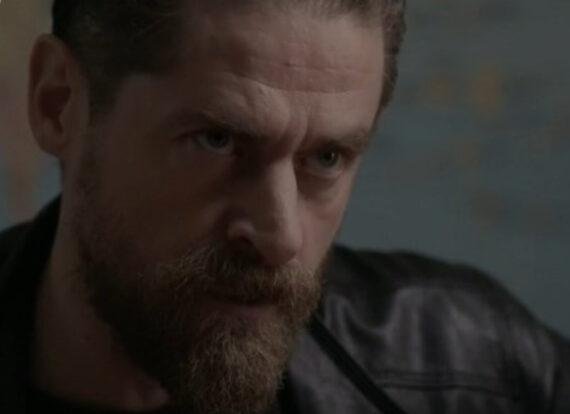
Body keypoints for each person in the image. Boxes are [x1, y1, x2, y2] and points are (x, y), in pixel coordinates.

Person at [0, 0, 568, 413]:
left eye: (326, 158)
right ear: (58, 103)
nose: (281, 237)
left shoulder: (469, 364)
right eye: (217, 141)